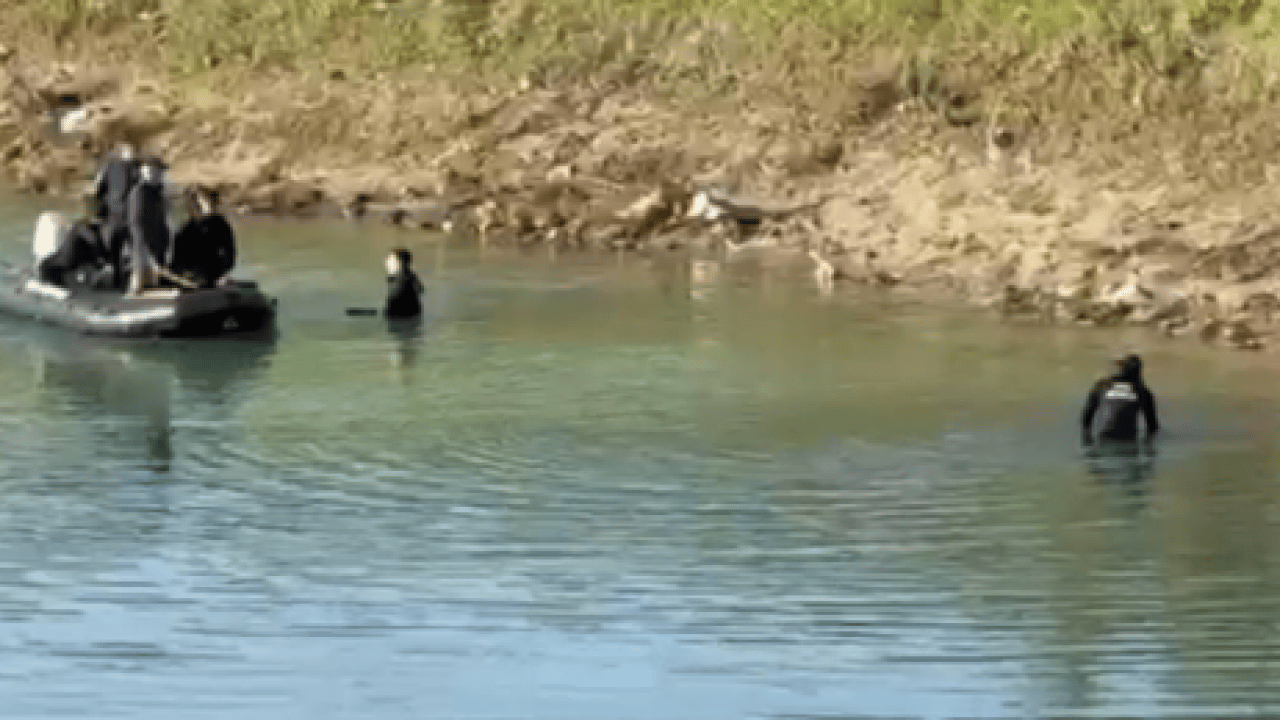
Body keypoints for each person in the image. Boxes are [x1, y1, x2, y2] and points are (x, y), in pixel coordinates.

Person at [1081, 353, 1160, 445]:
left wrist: (1088, 441)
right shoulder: (1142, 391)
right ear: (1139, 372)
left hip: (1104, 438)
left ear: (1120, 369)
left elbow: (1086, 419)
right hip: (1128, 440)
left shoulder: (1102, 385)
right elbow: (1152, 426)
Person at [169, 186, 237, 288]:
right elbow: (176, 259)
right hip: (190, 278)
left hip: (212, 276)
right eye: (194, 202)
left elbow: (230, 257)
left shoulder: (221, 226)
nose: (197, 206)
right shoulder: (185, 230)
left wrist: (220, 275)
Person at [91, 142, 140, 284]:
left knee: (113, 252)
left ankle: (115, 279)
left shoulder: (110, 167)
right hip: (131, 218)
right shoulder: (137, 170)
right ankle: (130, 279)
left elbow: (98, 191)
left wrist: (101, 210)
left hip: (114, 217)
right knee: (131, 251)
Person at [124, 157, 171, 295]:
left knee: (153, 288)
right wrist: (148, 256)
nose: (157, 175)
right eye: (151, 171)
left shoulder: (160, 195)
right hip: (141, 253)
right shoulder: (138, 193)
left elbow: (163, 224)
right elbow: (136, 226)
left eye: (159, 172)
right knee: (138, 287)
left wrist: (165, 250)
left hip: (157, 251)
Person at [36, 217, 112, 289]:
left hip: (58, 264)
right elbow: (92, 240)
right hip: (56, 266)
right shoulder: (82, 230)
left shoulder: (81, 229)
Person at [383, 247, 423, 319]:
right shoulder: (408, 275)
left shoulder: (406, 276)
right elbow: (421, 290)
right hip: (406, 312)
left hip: (401, 312)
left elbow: (420, 289)